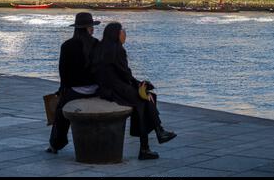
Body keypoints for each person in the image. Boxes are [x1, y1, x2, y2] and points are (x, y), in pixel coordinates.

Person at [95, 22, 177, 160]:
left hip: (106, 88)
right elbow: (125, 74)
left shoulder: (101, 48)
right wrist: (141, 84)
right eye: (123, 31)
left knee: (145, 100)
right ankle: (154, 136)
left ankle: (155, 135)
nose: (125, 34)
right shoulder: (118, 50)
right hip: (116, 89)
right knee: (145, 100)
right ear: (116, 34)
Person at [46, 12, 100, 154]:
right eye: (92, 26)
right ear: (89, 28)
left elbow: (63, 73)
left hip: (75, 91)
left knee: (60, 113)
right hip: (96, 90)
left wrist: (62, 90)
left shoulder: (67, 46)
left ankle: (55, 144)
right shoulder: (97, 44)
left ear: (76, 28)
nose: (93, 29)